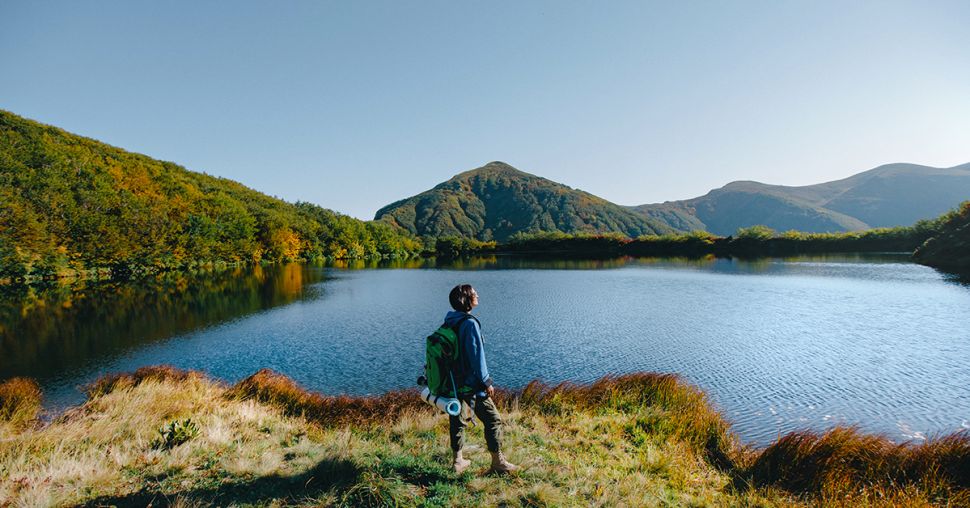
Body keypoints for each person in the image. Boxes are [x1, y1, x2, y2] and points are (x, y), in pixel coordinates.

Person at [444, 283, 518, 474]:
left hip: (453, 382)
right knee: (493, 420)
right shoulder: (469, 323)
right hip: (470, 383)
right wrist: (486, 381)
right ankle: (498, 463)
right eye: (474, 293)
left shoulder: (450, 320)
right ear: (466, 299)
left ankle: (457, 461)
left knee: (457, 420)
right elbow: (476, 355)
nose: (477, 294)